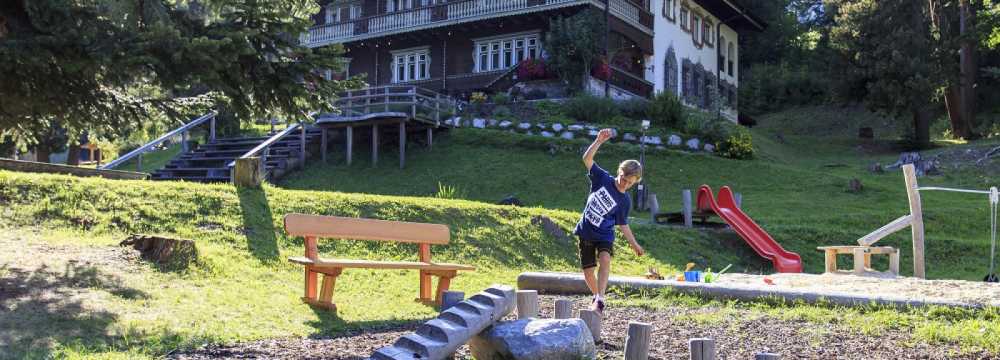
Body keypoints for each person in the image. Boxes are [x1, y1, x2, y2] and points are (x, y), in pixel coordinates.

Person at [574, 128, 645, 316]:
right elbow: (587, 160)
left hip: (605, 234)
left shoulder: (625, 201)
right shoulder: (602, 178)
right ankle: (597, 296)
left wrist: (634, 244)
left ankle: (600, 298)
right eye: (624, 179)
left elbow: (623, 224)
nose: (625, 184)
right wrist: (598, 141)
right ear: (619, 172)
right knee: (588, 271)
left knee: (605, 259)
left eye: (630, 183)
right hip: (586, 230)